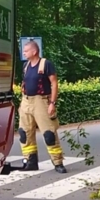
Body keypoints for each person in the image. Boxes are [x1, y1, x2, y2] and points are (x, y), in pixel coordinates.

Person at [19, 40, 67, 173]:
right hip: (26, 102)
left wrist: (52, 103)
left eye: (26, 50)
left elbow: (54, 83)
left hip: (42, 102)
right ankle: (30, 161)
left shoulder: (46, 64)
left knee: (49, 134)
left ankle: (58, 163)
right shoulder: (26, 65)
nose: (24, 52)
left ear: (34, 52)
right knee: (25, 133)